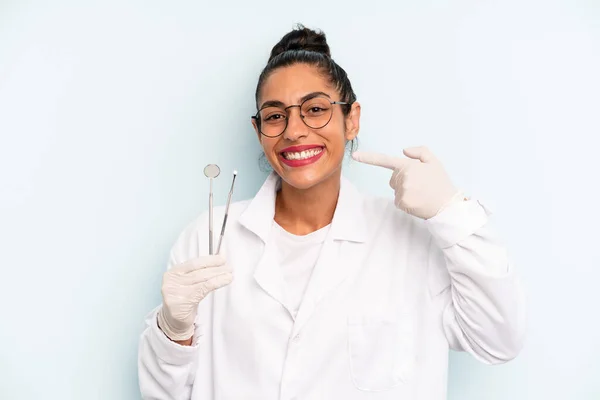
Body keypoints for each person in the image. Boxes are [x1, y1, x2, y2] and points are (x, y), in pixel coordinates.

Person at [138, 25, 526, 400]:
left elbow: (498, 340)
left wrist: (451, 213)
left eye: (316, 109)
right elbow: (162, 395)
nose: (294, 131)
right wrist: (173, 330)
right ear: (259, 131)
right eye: (275, 115)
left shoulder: (414, 240)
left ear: (351, 118)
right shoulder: (208, 239)